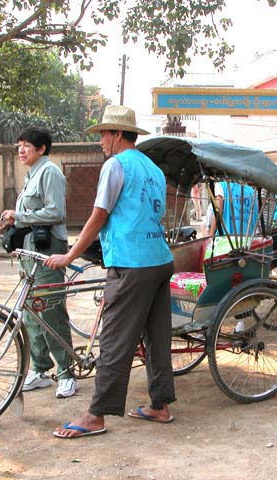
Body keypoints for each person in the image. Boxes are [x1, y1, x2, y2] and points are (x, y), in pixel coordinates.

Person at [45, 105, 176, 439]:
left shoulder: (115, 165)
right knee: (156, 336)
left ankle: (95, 415)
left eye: (103, 134)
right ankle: (159, 405)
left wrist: (69, 255)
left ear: (117, 134)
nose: (100, 141)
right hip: (159, 259)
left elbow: (99, 215)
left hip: (131, 263)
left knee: (116, 339)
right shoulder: (153, 168)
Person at [0, 126, 77, 398]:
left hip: (49, 250)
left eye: (27, 146)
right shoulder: (31, 174)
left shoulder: (50, 172)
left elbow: (55, 211)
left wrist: (19, 217)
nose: (21, 150)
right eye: (19, 145)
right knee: (30, 310)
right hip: (29, 251)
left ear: (42, 149)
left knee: (51, 309)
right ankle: (40, 368)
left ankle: (67, 373)